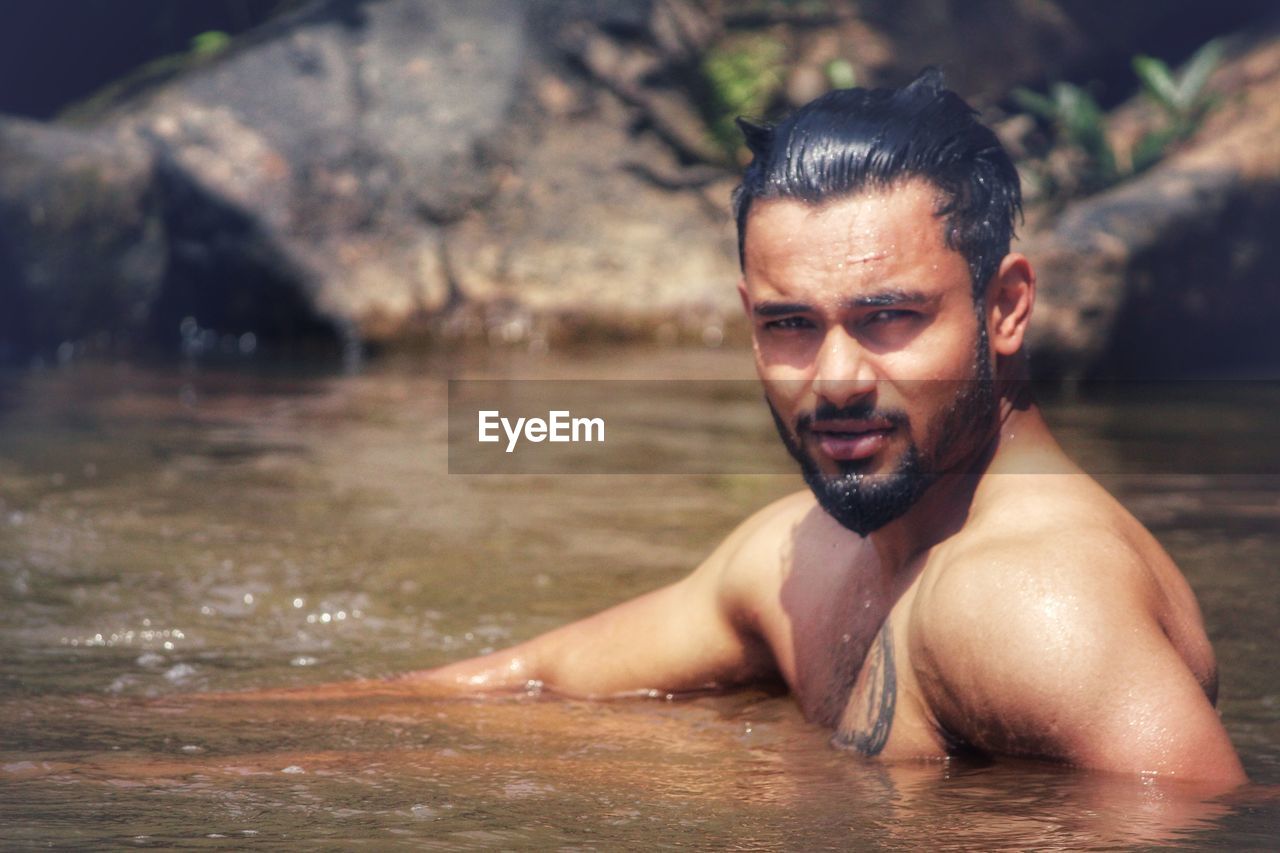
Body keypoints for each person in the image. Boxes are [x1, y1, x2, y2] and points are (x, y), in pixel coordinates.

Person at [405, 69, 1246, 785]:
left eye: (887, 317)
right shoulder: (805, 550)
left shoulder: (1029, 598)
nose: (836, 380)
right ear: (749, 317)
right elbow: (530, 681)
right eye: (790, 325)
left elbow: (1213, 824)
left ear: (1006, 307)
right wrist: (277, 744)